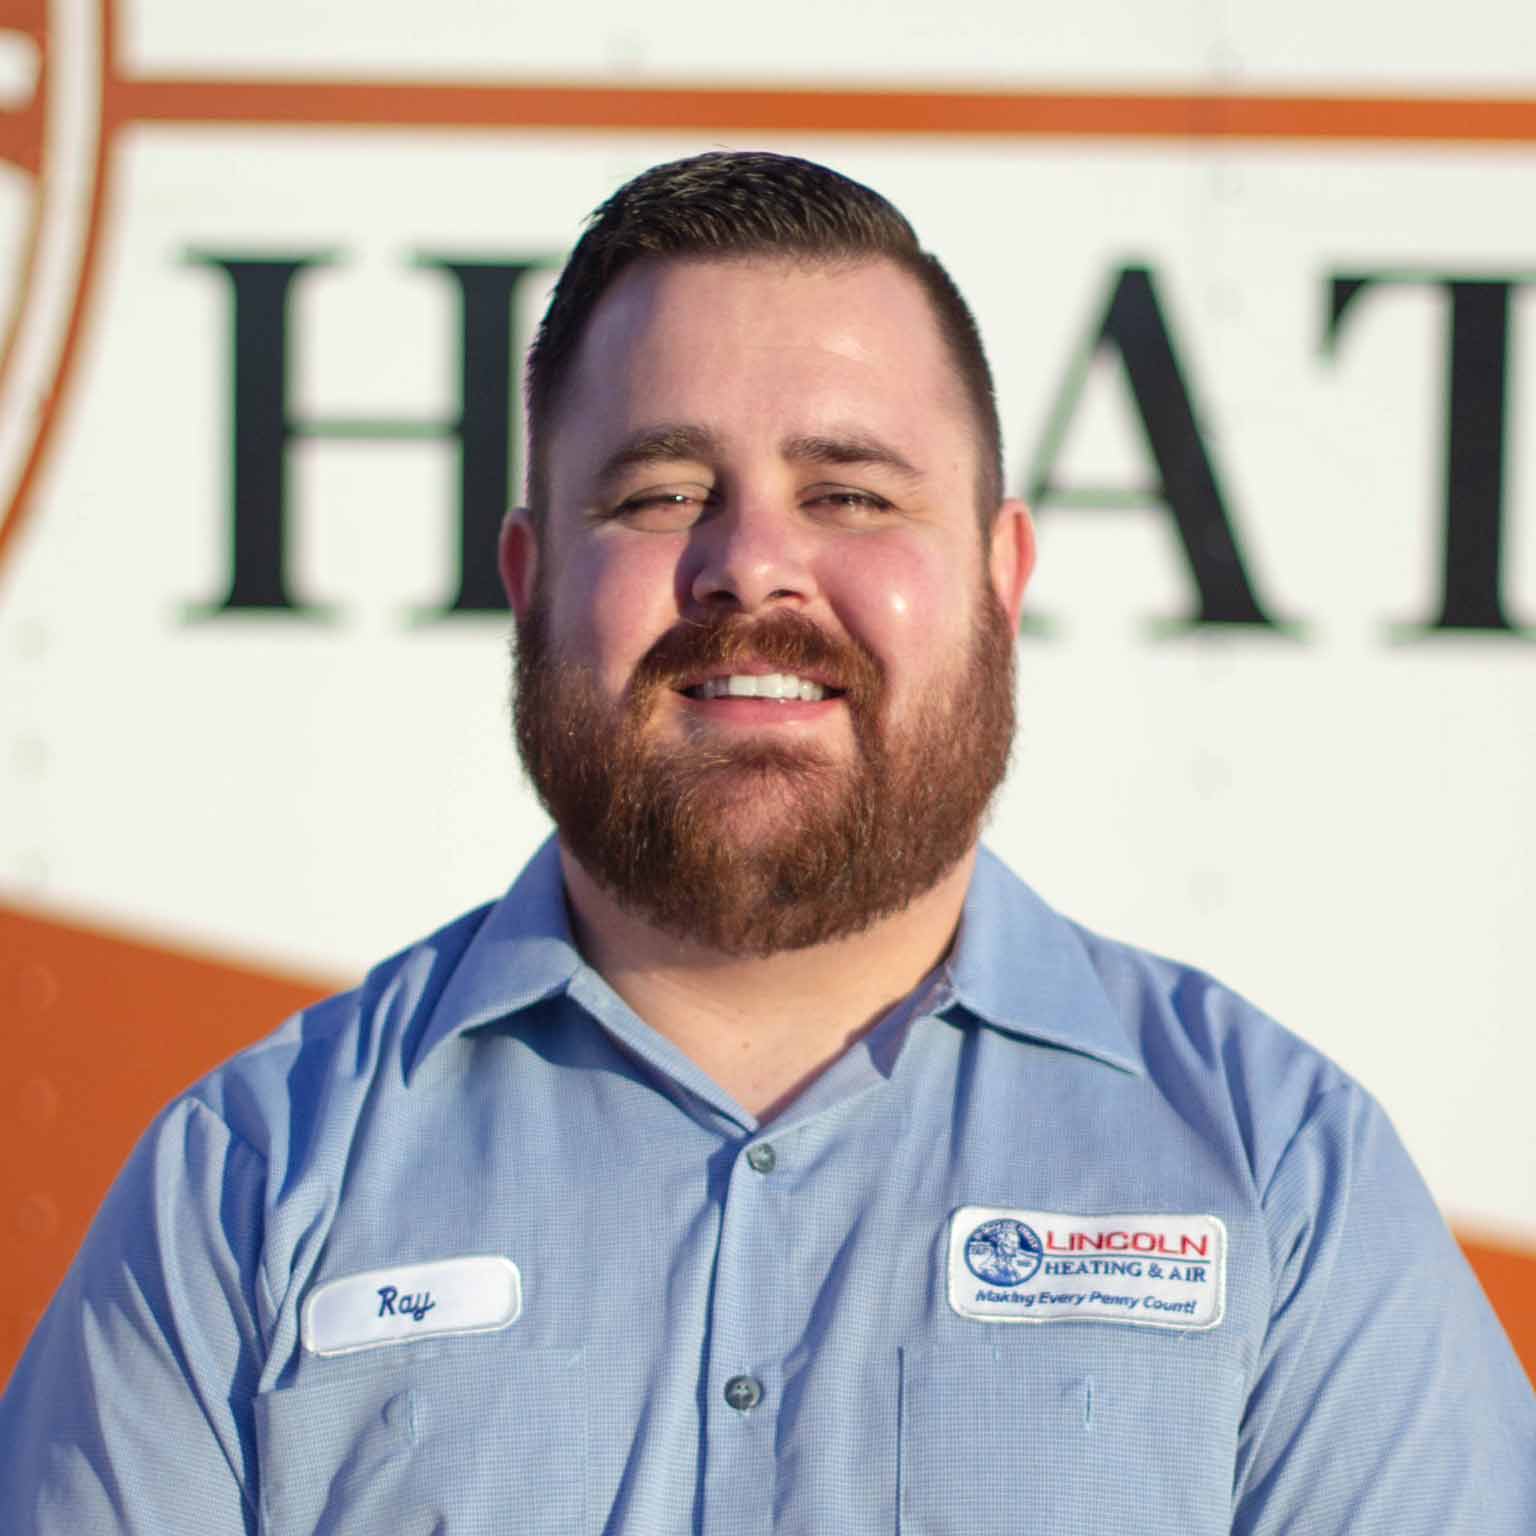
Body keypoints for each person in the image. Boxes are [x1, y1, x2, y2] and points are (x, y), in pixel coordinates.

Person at [1, 150, 1531, 1534]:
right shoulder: (249, 1187)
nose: (752, 568)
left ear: (1001, 578)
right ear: (530, 579)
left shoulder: (1285, 1190)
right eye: (664, 491)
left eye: (851, 492)